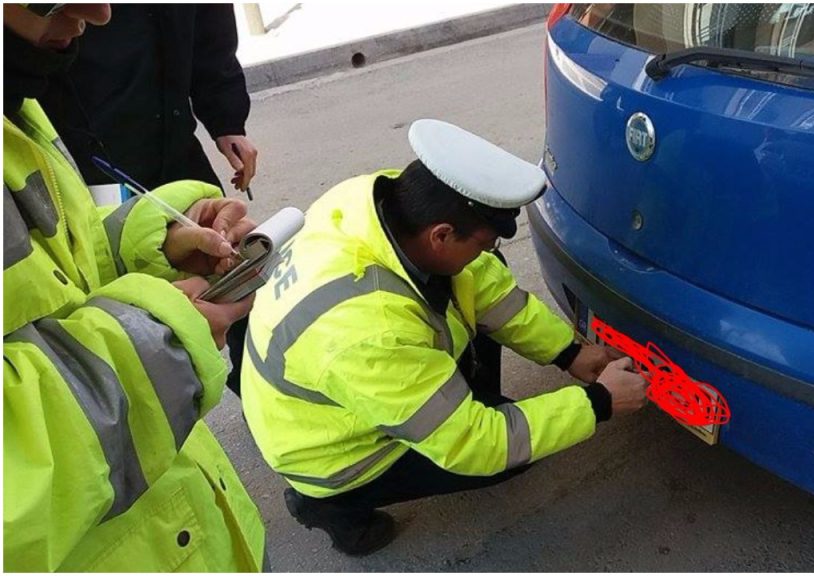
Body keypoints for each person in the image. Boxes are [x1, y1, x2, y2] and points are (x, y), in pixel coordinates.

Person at [241, 119, 649, 556]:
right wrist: (599, 403)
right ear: (441, 235)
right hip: (327, 449)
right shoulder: (371, 332)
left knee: (477, 298)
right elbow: (476, 445)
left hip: (327, 389)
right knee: (508, 455)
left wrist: (568, 353)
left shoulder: (380, 202)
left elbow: (483, 283)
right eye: (484, 243)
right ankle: (328, 505)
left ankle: (449, 406)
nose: (487, 254)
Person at [3, 4, 265, 571]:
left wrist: (151, 241)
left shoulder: (16, 99)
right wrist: (163, 343)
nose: (100, 13)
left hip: (184, 527)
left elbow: (51, 267)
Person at [37, 3, 257, 395]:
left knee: (233, 259)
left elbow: (210, 30)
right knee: (121, 307)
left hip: (172, 139)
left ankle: (258, 383)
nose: (96, 14)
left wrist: (226, 118)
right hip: (90, 161)